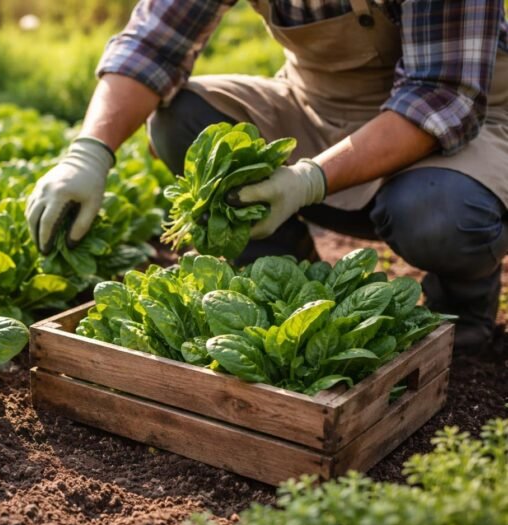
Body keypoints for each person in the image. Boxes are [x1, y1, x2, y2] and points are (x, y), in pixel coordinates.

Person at [25, 0, 508, 355]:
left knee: (438, 213)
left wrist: (309, 179)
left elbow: (440, 94)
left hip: (466, 122)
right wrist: (89, 152)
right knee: (183, 120)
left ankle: (464, 309)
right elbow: (154, 43)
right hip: (318, 107)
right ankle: (288, 282)